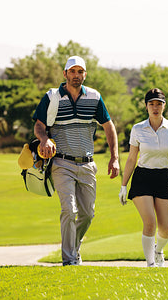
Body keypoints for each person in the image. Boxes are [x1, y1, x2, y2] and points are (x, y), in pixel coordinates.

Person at [33, 55, 120, 266]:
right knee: (69, 210)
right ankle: (70, 260)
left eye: (80, 72)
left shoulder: (94, 97)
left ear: (85, 75)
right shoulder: (52, 97)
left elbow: (109, 127)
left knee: (88, 214)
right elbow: (39, 125)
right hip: (62, 163)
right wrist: (44, 139)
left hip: (88, 164)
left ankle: (74, 247)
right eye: (72, 71)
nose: (76, 75)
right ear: (65, 74)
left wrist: (115, 158)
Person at [119, 88, 168, 267]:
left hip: (164, 177)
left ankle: (158, 251)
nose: (155, 107)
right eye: (151, 104)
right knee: (150, 222)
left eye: (159, 104)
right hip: (143, 177)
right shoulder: (137, 129)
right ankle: (150, 265)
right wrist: (123, 185)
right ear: (146, 106)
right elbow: (131, 159)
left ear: (164, 106)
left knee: (166, 230)